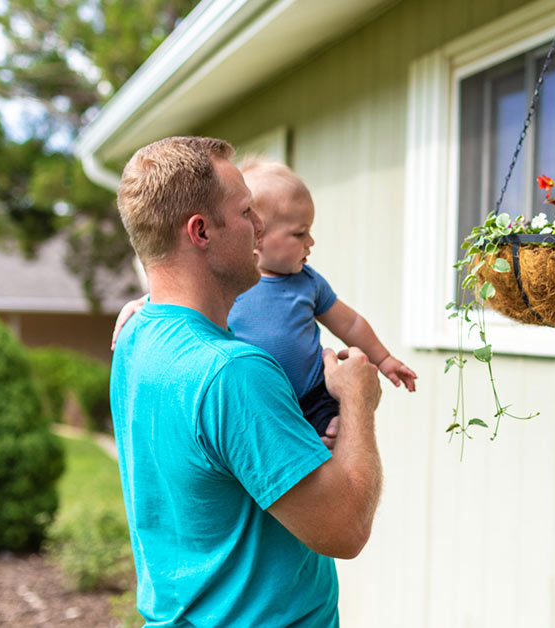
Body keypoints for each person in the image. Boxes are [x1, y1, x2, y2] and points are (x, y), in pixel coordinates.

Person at [110, 136, 383, 626]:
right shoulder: (233, 372)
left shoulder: (134, 337)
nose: (261, 227)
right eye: (246, 212)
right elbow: (345, 529)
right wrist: (358, 401)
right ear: (201, 232)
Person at [113, 158, 416, 447]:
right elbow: (179, 296)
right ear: (257, 235)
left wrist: (384, 359)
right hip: (258, 402)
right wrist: (144, 303)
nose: (310, 242)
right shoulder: (230, 282)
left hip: (312, 396)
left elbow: (349, 322)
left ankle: (329, 456)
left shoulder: (308, 282)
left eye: (309, 231)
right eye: (299, 233)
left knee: (334, 431)